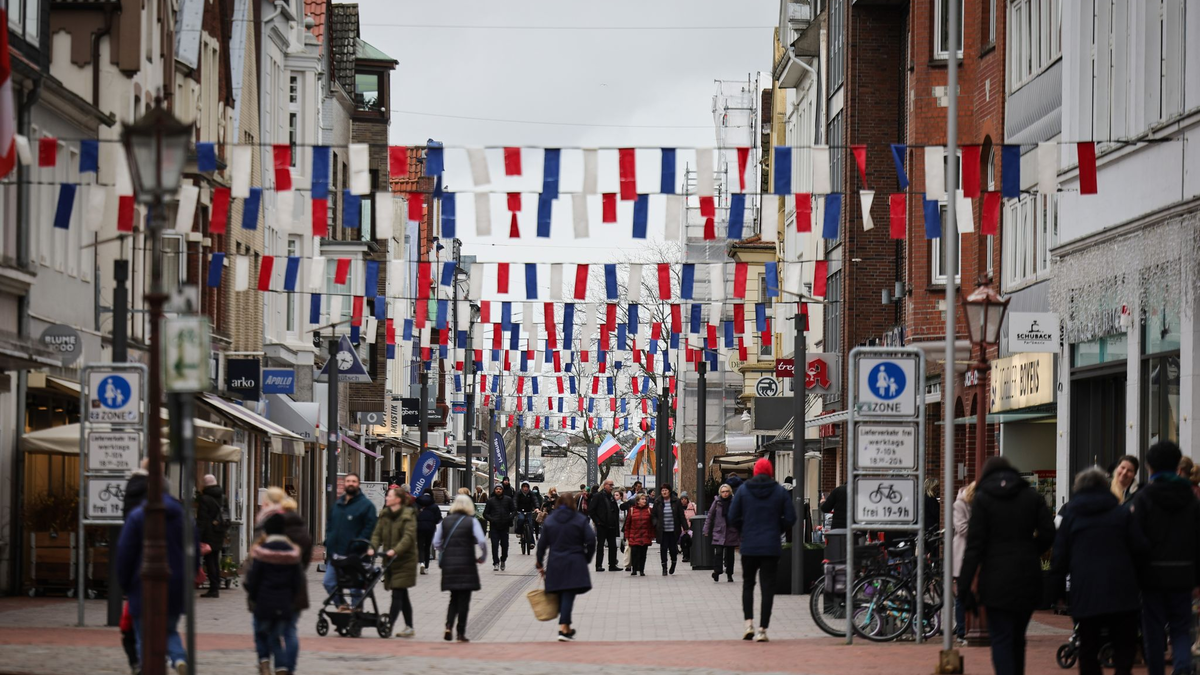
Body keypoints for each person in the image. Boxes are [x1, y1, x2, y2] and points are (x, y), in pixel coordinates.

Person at [958, 457, 1056, 675]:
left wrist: (964, 588)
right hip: (1027, 576)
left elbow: (974, 547)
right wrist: (1031, 550)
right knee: (1018, 637)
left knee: (1001, 637)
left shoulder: (983, 500)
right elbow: (1048, 532)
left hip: (994, 579)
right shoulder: (1031, 496)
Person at [1051, 467, 1145, 675]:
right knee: (1124, 645)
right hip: (1122, 590)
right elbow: (1139, 550)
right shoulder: (1122, 513)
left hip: (1086, 590)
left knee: (1088, 646)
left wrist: (1057, 592)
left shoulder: (1071, 517)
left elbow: (1060, 558)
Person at [1128, 441, 1200, 675]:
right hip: (1183, 575)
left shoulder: (1144, 497)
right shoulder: (1191, 499)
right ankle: (1182, 668)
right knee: (1180, 630)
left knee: (1154, 633)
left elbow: (1136, 539)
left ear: (1149, 467)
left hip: (1151, 577)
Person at [116, 478, 194, 675]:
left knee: (144, 634)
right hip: (176, 585)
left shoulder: (137, 516)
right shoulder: (185, 518)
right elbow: (193, 551)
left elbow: (125, 552)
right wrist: (189, 577)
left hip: (142, 584)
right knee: (169, 629)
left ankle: (150, 669)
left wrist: (125, 584)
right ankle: (179, 659)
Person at [727, 458, 796, 643]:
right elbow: (791, 517)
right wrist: (777, 528)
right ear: (771, 471)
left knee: (748, 585)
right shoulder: (780, 491)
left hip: (749, 545)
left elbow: (732, 516)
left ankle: (748, 623)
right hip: (771, 547)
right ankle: (762, 630)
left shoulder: (743, 490)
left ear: (756, 471)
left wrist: (744, 530)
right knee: (768, 588)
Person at [245, 513, 304, 675]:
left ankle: (264, 660)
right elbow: (297, 580)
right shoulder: (292, 552)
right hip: (284, 603)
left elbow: (253, 578)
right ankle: (281, 668)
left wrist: (253, 596)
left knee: (260, 633)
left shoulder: (261, 551)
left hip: (264, 602)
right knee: (275, 637)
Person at [537, 492, 597, 641]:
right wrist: (587, 558)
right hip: (575, 561)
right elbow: (591, 540)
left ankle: (566, 627)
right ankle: (563, 628)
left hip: (555, 562)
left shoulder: (550, 520)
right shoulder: (580, 519)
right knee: (568, 594)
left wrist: (539, 562)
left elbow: (542, 544)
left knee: (563, 593)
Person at [433, 495, 487, 642]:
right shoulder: (472, 521)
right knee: (464, 600)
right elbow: (481, 540)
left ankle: (448, 626)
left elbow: (436, 542)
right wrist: (483, 556)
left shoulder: (445, 522)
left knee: (453, 598)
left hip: (449, 565)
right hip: (467, 564)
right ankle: (460, 633)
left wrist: (443, 550)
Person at [322, 473, 378, 611]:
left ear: (358, 484)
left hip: (356, 556)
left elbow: (369, 528)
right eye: (348, 481)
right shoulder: (338, 504)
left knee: (355, 588)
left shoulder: (366, 506)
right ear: (344, 484)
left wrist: (358, 545)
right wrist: (329, 540)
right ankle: (342, 605)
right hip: (336, 554)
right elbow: (330, 524)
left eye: (354, 481)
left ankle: (356, 613)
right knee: (328, 582)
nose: (351, 483)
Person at [370, 486, 419, 639]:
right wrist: (372, 547)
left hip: (405, 561)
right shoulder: (384, 515)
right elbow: (377, 534)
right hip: (390, 559)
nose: (386, 498)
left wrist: (395, 550)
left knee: (397, 592)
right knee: (402, 593)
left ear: (397, 499)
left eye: (389, 496)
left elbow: (408, 537)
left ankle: (388, 625)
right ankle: (409, 627)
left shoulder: (408, 515)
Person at [951, 481, 976, 644]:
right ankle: (961, 631)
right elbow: (962, 528)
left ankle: (969, 627)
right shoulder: (960, 505)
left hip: (976, 554)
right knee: (962, 595)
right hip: (963, 554)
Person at [197, 474, 228, 598]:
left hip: (208, 533)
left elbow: (202, 520)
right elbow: (226, 515)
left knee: (210, 561)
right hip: (219, 531)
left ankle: (214, 588)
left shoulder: (205, 499)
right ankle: (215, 586)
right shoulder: (223, 497)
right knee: (215, 559)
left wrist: (198, 536)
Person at [704, 483, 740, 583]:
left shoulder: (735, 502)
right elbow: (710, 516)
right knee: (718, 552)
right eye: (723, 492)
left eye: (727, 491)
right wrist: (706, 529)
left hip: (731, 531)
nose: (725, 493)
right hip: (719, 531)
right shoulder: (717, 502)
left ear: (730, 492)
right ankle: (717, 571)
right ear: (720, 493)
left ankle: (729, 574)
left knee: (730, 555)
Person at [652, 484, 685, 575]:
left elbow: (681, 515)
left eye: (666, 490)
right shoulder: (657, 501)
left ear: (669, 491)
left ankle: (673, 563)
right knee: (663, 549)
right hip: (662, 530)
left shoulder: (676, 501)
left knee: (673, 549)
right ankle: (664, 568)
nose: (664, 492)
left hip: (673, 529)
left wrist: (685, 528)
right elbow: (653, 515)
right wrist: (656, 523)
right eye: (662, 491)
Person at [588, 479, 621, 572]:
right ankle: (598, 565)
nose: (612, 487)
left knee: (613, 546)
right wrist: (597, 521)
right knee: (600, 546)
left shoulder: (611, 496)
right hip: (602, 525)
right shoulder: (598, 496)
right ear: (605, 485)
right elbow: (591, 510)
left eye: (612, 485)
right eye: (610, 485)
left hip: (611, 525)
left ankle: (612, 564)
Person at [483, 484, 515, 571]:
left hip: (504, 526)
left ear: (502, 490)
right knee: (495, 545)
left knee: (505, 546)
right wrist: (492, 519)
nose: (498, 490)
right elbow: (485, 514)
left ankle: (503, 559)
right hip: (494, 527)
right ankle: (496, 563)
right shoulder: (490, 501)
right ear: (494, 490)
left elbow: (514, 511)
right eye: (496, 489)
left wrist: (509, 518)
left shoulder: (508, 500)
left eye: (500, 489)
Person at [623, 493, 655, 576]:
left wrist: (651, 535)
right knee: (634, 553)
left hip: (645, 535)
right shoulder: (632, 510)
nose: (644, 501)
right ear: (637, 501)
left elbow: (651, 525)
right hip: (634, 535)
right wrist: (627, 536)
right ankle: (634, 569)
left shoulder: (649, 510)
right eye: (642, 499)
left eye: (645, 499)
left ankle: (641, 570)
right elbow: (627, 524)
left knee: (643, 554)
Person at [415, 490, 442, 574]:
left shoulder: (416, 504)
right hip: (430, 528)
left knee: (420, 545)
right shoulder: (434, 506)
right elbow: (438, 518)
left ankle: (421, 562)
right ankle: (426, 566)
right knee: (427, 546)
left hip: (419, 528)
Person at [515, 482, 539, 547]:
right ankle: (519, 532)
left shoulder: (531, 493)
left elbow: (535, 500)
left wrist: (537, 508)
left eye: (526, 487)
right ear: (522, 487)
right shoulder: (518, 493)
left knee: (530, 525)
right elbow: (515, 501)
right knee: (521, 519)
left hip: (528, 511)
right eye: (524, 487)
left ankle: (532, 542)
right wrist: (515, 509)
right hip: (520, 511)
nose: (525, 488)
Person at [679, 492, 697, 563]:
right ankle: (685, 555)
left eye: (685, 499)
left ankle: (689, 555)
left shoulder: (693, 506)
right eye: (682, 499)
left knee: (689, 542)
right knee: (683, 542)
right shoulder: (679, 507)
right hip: (682, 528)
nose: (683, 500)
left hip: (691, 527)